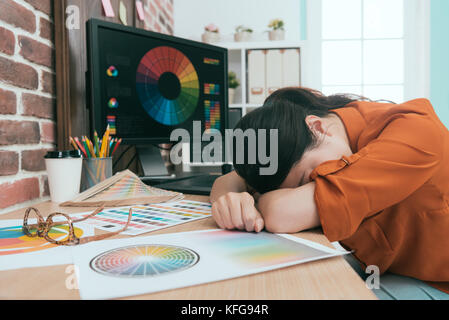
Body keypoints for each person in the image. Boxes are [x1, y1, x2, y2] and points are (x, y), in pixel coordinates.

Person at [210, 87, 449, 299]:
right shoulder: (320, 132)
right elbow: (227, 180)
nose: (305, 189)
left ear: (317, 127)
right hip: (385, 265)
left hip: (435, 282)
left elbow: (280, 212)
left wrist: (258, 201)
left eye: (307, 180)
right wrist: (229, 200)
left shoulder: (416, 133)